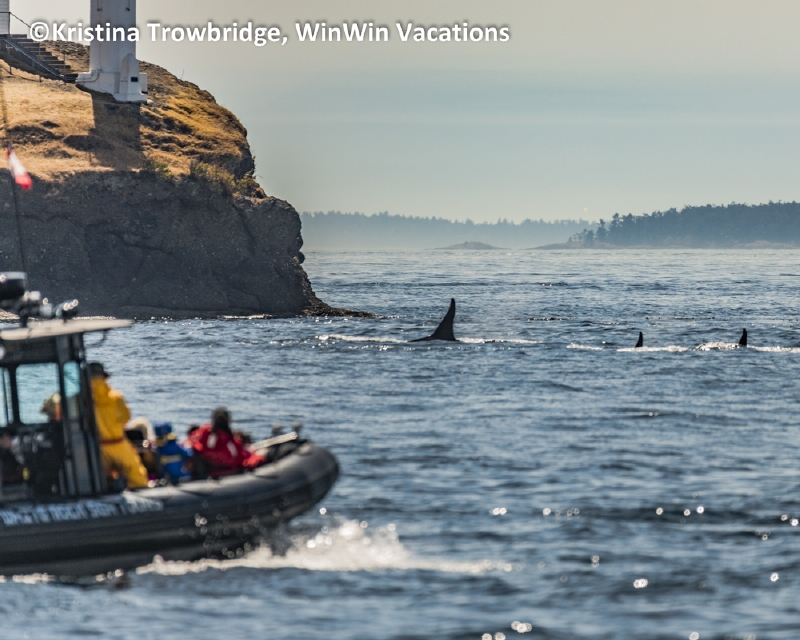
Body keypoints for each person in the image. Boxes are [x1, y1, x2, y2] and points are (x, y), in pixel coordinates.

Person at [89, 362, 148, 490]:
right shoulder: (116, 397)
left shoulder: (82, 400)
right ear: (104, 377)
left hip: (99, 448)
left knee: (100, 482)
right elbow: (126, 417)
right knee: (137, 477)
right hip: (119, 443)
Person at [187, 408, 264, 478]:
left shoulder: (204, 434)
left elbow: (192, 441)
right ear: (228, 421)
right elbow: (241, 460)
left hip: (209, 472)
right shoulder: (232, 443)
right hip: (228, 474)